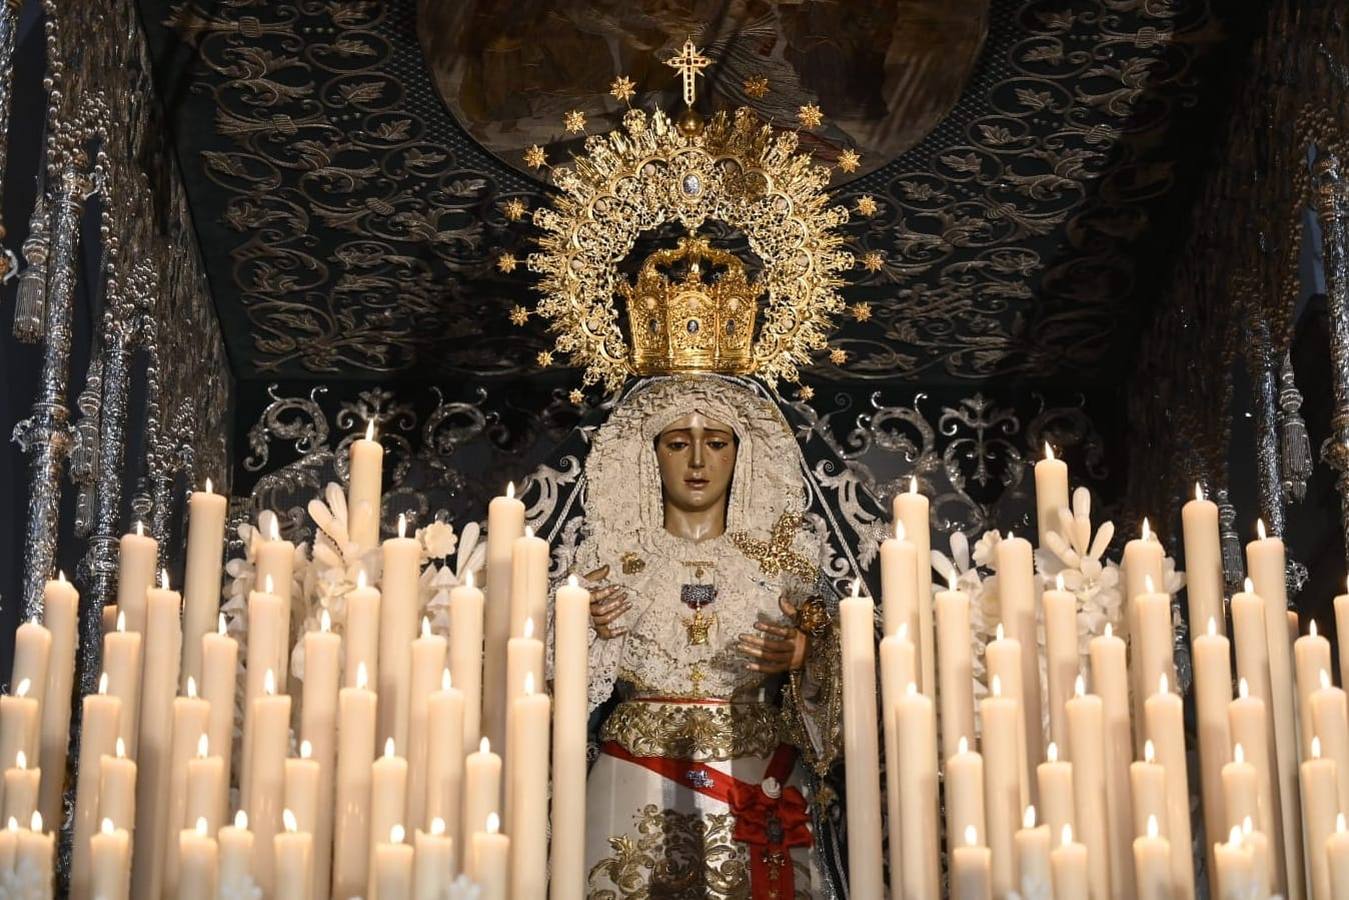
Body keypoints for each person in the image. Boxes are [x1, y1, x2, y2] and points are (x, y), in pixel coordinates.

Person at [554, 375, 848, 899]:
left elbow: (852, 670)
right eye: (676, 443)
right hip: (633, 774)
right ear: (651, 454)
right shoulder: (607, 562)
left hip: (754, 771)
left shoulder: (783, 566)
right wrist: (582, 628)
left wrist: (805, 655)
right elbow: (546, 687)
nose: (696, 461)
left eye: (715, 443)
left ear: (741, 453)